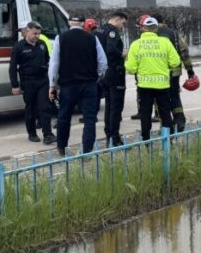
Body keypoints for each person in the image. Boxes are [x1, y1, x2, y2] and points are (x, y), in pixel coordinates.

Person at [49, 14, 108, 156]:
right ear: (83, 23)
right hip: (89, 84)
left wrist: (52, 84)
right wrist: (97, 76)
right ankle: (87, 149)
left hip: (68, 84)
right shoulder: (92, 38)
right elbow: (103, 62)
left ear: (69, 23)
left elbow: (54, 63)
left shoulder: (60, 38)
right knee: (89, 118)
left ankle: (62, 147)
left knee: (64, 116)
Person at [124, 17, 181, 141]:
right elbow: (175, 62)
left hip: (144, 86)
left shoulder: (136, 44)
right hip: (162, 85)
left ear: (143, 28)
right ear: (156, 29)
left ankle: (146, 140)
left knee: (145, 113)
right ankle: (169, 139)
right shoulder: (165, 42)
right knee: (165, 112)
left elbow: (130, 68)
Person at [8, 21, 55, 144]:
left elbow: (48, 61)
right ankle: (32, 133)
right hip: (28, 81)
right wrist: (15, 85)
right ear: (27, 31)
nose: (37, 36)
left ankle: (48, 134)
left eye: (38, 34)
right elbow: (12, 67)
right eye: (34, 33)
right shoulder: (19, 47)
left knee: (45, 107)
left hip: (42, 80)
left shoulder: (42, 44)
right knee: (31, 108)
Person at [156, 16, 197, 132]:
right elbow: (184, 51)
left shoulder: (152, 34)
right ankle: (179, 120)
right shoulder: (174, 33)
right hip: (174, 71)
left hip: (159, 72)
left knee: (161, 98)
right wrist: (189, 69)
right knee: (174, 95)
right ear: (163, 21)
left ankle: (165, 125)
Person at [97, 11, 128, 147]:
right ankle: (114, 138)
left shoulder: (99, 30)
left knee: (109, 105)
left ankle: (109, 135)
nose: (122, 27)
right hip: (115, 72)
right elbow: (111, 49)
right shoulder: (112, 31)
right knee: (116, 106)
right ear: (118, 19)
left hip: (104, 73)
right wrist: (122, 54)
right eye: (123, 23)